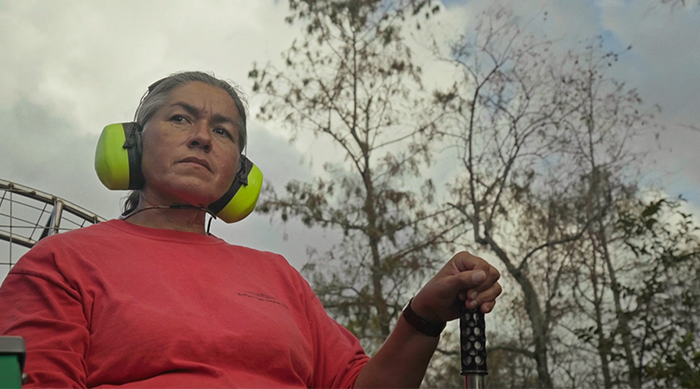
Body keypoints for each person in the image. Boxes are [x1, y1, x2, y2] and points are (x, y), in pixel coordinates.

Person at [0, 71, 501, 388]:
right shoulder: (60, 262)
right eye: (180, 119)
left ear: (240, 170)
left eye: (223, 131)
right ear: (130, 144)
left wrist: (423, 318)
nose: (201, 137)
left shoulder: (278, 276)